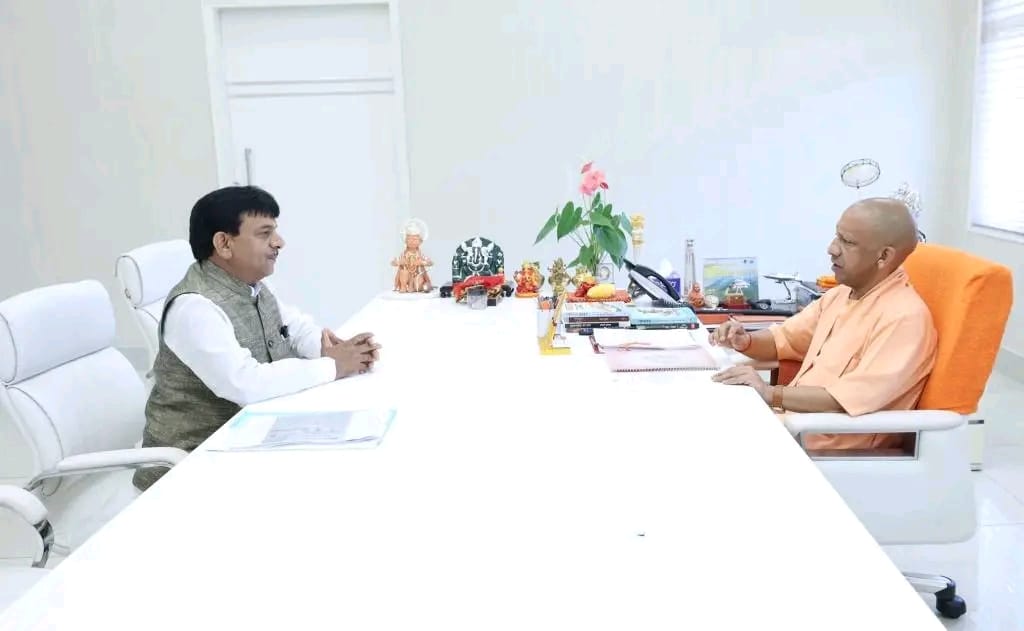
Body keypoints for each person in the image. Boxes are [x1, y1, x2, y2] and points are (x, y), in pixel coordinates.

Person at [133, 186, 381, 491]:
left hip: (246, 439)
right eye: (265, 234)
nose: (279, 242)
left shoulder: (254, 285)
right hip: (190, 466)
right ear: (224, 243)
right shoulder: (194, 308)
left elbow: (293, 326)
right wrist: (333, 366)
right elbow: (245, 384)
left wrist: (328, 347)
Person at [710, 198, 937, 450]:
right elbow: (784, 340)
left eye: (848, 242)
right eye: (837, 236)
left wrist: (770, 393)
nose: (832, 249)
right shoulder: (840, 295)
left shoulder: (904, 318)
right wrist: (745, 341)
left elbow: (846, 399)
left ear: (883, 256)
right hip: (790, 425)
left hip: (829, 447)